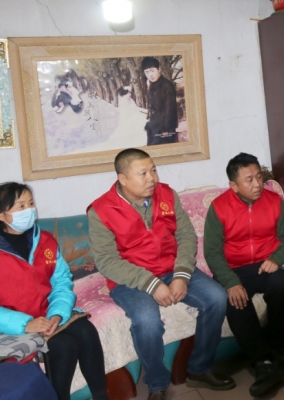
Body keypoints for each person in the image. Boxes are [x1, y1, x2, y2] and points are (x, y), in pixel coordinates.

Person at [87, 148, 234, 400]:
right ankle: (157, 383)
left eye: (153, 170)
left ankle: (199, 368)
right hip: (131, 279)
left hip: (171, 268)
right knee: (147, 320)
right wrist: (151, 284)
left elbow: (186, 236)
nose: (152, 178)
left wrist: (181, 275)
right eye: (143, 173)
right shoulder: (101, 210)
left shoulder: (166, 194)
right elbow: (107, 261)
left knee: (217, 298)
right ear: (123, 179)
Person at [0, 182, 107, 400]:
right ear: (2, 215)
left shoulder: (45, 240)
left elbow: (61, 281)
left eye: (31, 204)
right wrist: (25, 324)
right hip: (10, 324)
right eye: (21, 206)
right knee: (64, 347)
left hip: (47, 313)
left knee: (86, 331)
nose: (29, 210)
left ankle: (101, 396)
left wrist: (57, 313)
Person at [204, 152, 284, 397]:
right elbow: (212, 251)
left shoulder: (274, 200)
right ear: (233, 185)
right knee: (234, 299)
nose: (257, 184)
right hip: (234, 268)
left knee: (283, 284)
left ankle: (279, 348)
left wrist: (277, 259)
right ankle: (262, 362)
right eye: (249, 180)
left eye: (259, 177)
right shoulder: (219, 207)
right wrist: (230, 282)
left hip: (266, 263)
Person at [141, 57, 178, 145]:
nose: (150, 75)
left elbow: (170, 111)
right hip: (154, 127)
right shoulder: (152, 85)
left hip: (164, 130)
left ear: (159, 69)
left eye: (152, 71)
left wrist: (166, 132)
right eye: (147, 72)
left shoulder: (167, 86)